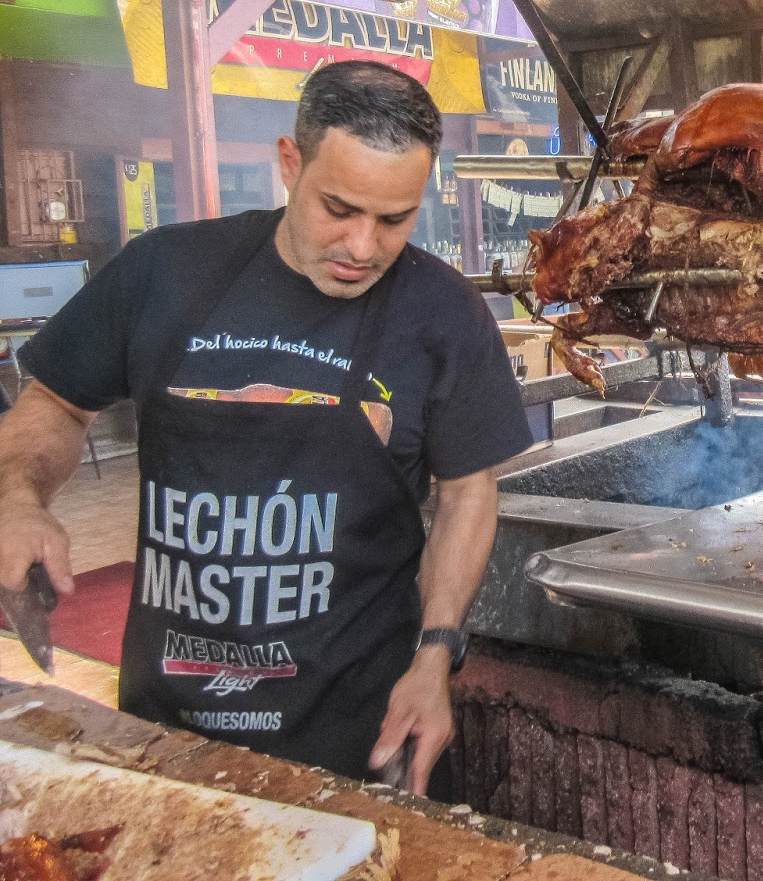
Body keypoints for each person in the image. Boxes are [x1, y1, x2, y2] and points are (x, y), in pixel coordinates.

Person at [0, 61, 532, 792]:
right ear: (290, 163)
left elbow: (468, 491)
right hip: (167, 730)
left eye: (394, 219)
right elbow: (57, 403)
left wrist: (436, 653)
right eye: (339, 208)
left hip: (361, 732)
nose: (363, 247)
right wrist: (19, 498)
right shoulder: (164, 272)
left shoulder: (444, 312)